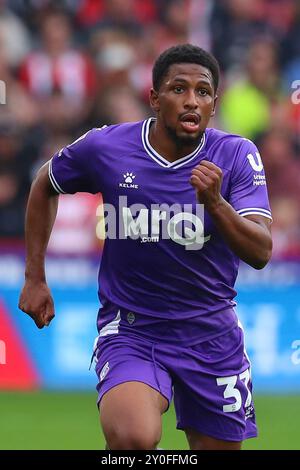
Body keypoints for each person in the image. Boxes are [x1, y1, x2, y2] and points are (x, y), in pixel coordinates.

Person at [19, 44, 272, 450]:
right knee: (133, 439)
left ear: (213, 104)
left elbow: (260, 252)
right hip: (134, 330)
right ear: (154, 98)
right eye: (178, 89)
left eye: (203, 92)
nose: (192, 101)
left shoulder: (237, 155)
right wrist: (34, 276)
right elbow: (45, 184)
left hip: (211, 334)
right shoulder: (107, 148)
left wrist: (216, 204)